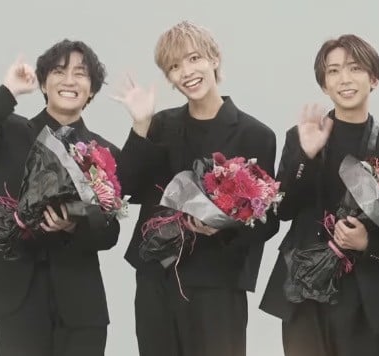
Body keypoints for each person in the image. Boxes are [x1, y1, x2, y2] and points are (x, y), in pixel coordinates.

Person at [0, 40, 119, 356]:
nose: (69, 80)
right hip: (17, 299)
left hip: (81, 305)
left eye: (80, 73)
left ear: (92, 89)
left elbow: (110, 232)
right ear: (43, 83)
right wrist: (8, 92)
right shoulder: (10, 132)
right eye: (59, 71)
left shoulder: (103, 152)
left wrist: (73, 225)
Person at [114, 20, 279, 356]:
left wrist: (222, 228)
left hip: (218, 283)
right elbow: (125, 187)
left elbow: (267, 221)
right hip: (157, 280)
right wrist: (141, 125)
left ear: (213, 59)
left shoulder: (255, 134)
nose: (186, 72)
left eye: (194, 59)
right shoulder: (160, 124)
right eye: (174, 66)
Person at [259, 34, 379, 356]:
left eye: (355, 68)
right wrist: (306, 156)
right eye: (334, 71)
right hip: (304, 286)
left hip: (367, 292)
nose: (345, 79)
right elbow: (282, 210)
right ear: (324, 84)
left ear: (374, 79)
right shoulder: (300, 136)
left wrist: (368, 242)